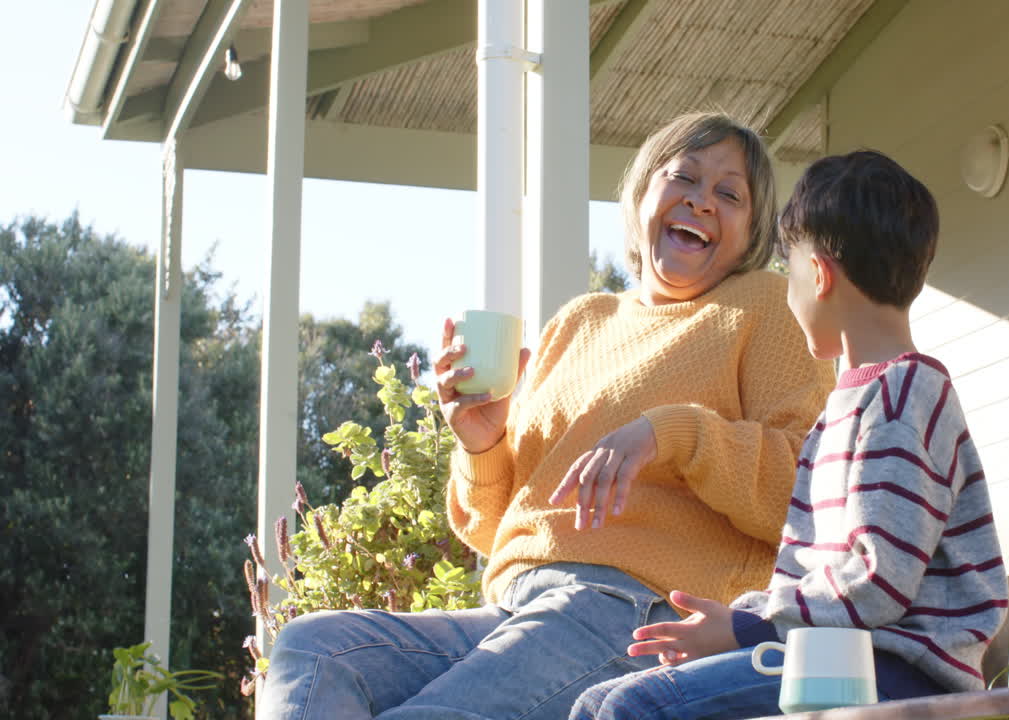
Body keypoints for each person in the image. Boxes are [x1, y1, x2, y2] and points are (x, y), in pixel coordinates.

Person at [257, 112, 833, 719]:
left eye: (729, 194)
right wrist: (482, 444)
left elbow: (804, 495)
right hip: (517, 605)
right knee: (313, 649)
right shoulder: (579, 322)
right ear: (643, 194)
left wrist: (674, 432)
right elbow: (491, 526)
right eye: (683, 177)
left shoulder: (763, 308)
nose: (701, 201)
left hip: (640, 612)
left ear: (753, 233)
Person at [569, 150, 1009, 720]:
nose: (788, 293)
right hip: (826, 656)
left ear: (819, 275)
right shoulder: (838, 414)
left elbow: (877, 582)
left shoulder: (906, 395)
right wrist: (743, 622)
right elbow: (805, 576)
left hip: (897, 673)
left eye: (789, 273)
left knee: (637, 708)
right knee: (599, 701)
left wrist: (747, 626)